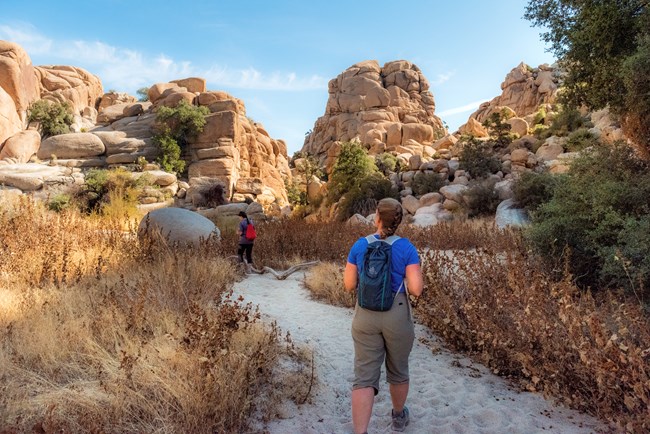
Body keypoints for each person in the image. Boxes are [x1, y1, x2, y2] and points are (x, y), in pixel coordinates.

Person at [344, 198, 423, 433]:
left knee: (364, 377)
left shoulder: (360, 245)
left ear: (376, 217)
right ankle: (398, 417)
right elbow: (417, 290)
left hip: (365, 314)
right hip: (396, 313)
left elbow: (348, 285)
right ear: (399, 220)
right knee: (398, 370)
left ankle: (361, 431)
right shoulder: (406, 247)